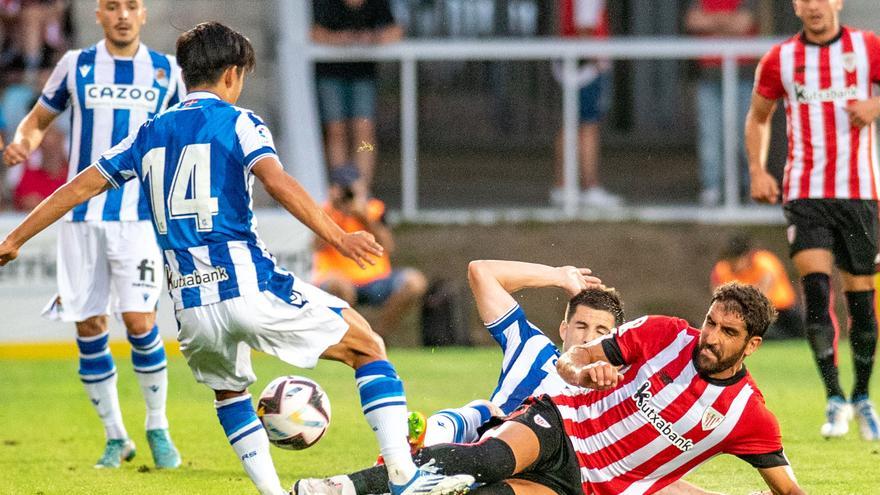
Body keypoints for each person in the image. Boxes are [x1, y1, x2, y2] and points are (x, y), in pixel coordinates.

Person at [0, 21, 474, 495]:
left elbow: (78, 186)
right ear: (231, 75)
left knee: (230, 393)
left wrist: (15, 238)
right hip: (248, 284)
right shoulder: (240, 122)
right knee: (367, 346)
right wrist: (337, 233)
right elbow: (277, 180)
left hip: (190, 306)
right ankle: (403, 476)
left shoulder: (149, 132)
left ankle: (272, 493)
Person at [295, 261, 756, 495]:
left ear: (615, 341)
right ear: (562, 327)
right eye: (580, 326)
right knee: (473, 417)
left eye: (601, 333)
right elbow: (481, 272)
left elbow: (641, 475)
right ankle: (352, 482)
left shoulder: (621, 388)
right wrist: (556, 276)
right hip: (477, 447)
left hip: (542, 480)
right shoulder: (531, 347)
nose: (587, 337)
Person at [1, 0, 185, 469]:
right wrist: (23, 141)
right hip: (80, 215)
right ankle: (115, 436)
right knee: (89, 325)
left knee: (140, 322)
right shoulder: (75, 65)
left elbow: (185, 133)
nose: (122, 14)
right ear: (99, 15)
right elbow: (38, 120)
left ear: (142, 14)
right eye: (112, 6)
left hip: (139, 214)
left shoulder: (166, 73)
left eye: (131, 6)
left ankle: (157, 426)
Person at [746, 0, 880, 440]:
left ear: (838, 2)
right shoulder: (781, 58)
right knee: (817, 292)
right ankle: (834, 398)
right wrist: (758, 169)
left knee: (861, 302)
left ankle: (862, 395)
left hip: (860, 193)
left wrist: (875, 108)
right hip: (805, 192)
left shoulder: (867, 48)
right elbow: (759, 116)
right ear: (796, 6)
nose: (815, 6)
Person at [313, 164, 427, 337]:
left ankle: (378, 336)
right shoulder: (325, 210)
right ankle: (348, 339)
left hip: (376, 279)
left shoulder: (374, 209)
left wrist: (364, 217)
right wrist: (335, 212)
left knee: (415, 282)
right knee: (342, 289)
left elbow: (388, 246)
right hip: (339, 279)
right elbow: (316, 246)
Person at [311, 0, 403, 193]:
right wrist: (341, 39)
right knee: (336, 130)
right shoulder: (325, 5)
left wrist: (373, 38)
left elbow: (395, 31)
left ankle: (361, 188)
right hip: (331, 74)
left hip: (363, 75)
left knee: (365, 132)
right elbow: (315, 33)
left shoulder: (376, 4)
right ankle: (341, 187)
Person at [684, 0, 758, 207]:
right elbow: (693, 22)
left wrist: (711, 23)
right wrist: (728, 23)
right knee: (710, 134)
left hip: (741, 75)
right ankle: (712, 188)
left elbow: (744, 24)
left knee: (745, 135)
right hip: (708, 75)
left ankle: (750, 187)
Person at [551, 0, 622, 208]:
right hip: (585, 68)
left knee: (573, 125)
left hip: (573, 63)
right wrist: (597, 60)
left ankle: (563, 186)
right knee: (587, 125)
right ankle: (588, 186)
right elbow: (584, 27)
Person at [711, 234, 803, 340]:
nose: (733, 265)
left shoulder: (763, 262)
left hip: (782, 311)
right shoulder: (721, 269)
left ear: (746, 256)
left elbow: (763, 297)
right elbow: (718, 300)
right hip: (744, 317)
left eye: (736, 260)